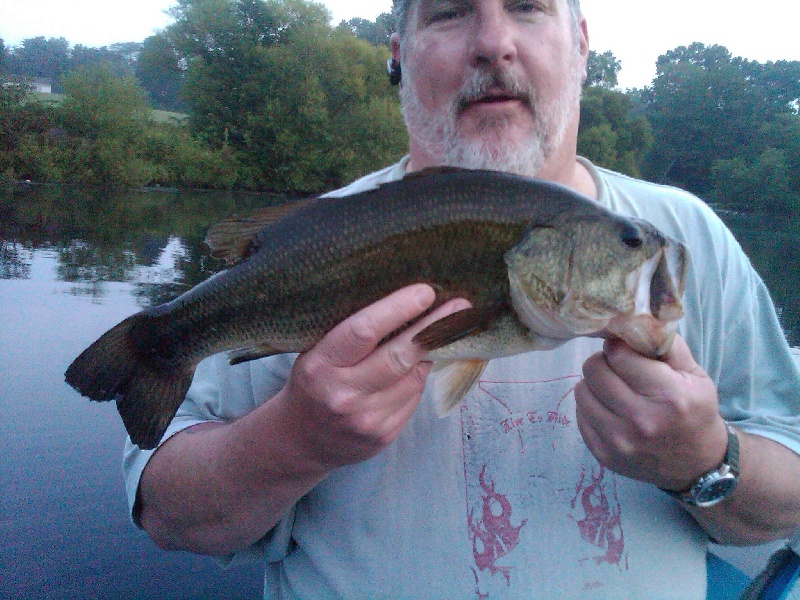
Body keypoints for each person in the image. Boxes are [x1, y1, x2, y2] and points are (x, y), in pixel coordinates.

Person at [123, 0, 800, 597]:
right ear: (398, 55)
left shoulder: (690, 241)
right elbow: (167, 515)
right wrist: (294, 439)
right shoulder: (314, 239)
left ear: (582, 43)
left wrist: (706, 461)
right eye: (449, 11)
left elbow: (791, 496)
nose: (493, 41)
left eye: (528, 6)